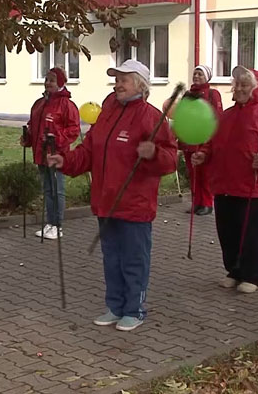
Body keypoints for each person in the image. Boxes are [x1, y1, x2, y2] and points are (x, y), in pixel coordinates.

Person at [47, 59, 177, 331]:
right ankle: (115, 306)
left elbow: (170, 160)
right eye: (116, 79)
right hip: (106, 202)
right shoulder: (107, 113)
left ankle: (134, 309)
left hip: (134, 204)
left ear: (139, 84)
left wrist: (153, 153)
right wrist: (66, 161)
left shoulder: (151, 117)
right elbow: (89, 151)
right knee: (112, 259)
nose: (117, 84)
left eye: (123, 79)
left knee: (133, 259)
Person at [192, 66, 258, 293]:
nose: (238, 88)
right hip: (224, 184)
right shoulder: (226, 115)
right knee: (227, 232)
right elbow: (212, 142)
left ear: (255, 88)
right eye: (236, 84)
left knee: (251, 234)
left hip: (252, 186)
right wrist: (203, 154)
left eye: (244, 85)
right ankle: (234, 270)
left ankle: (252, 275)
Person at [21, 67, 80, 239]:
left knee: (57, 190)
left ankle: (58, 225)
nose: (48, 83)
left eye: (52, 80)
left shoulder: (67, 105)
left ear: (61, 83)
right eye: (46, 80)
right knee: (47, 189)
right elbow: (33, 125)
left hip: (56, 154)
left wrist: (57, 139)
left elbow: (73, 130)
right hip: (41, 153)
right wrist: (27, 138)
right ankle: (50, 222)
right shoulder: (40, 103)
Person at [164, 65, 221, 216]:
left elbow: (217, 117)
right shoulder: (188, 94)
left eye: (200, 74)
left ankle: (207, 203)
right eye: (195, 74)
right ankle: (196, 203)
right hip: (189, 141)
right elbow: (181, 116)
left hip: (204, 141)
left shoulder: (212, 94)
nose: (196, 76)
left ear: (207, 77)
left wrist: (212, 137)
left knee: (205, 174)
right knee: (193, 174)